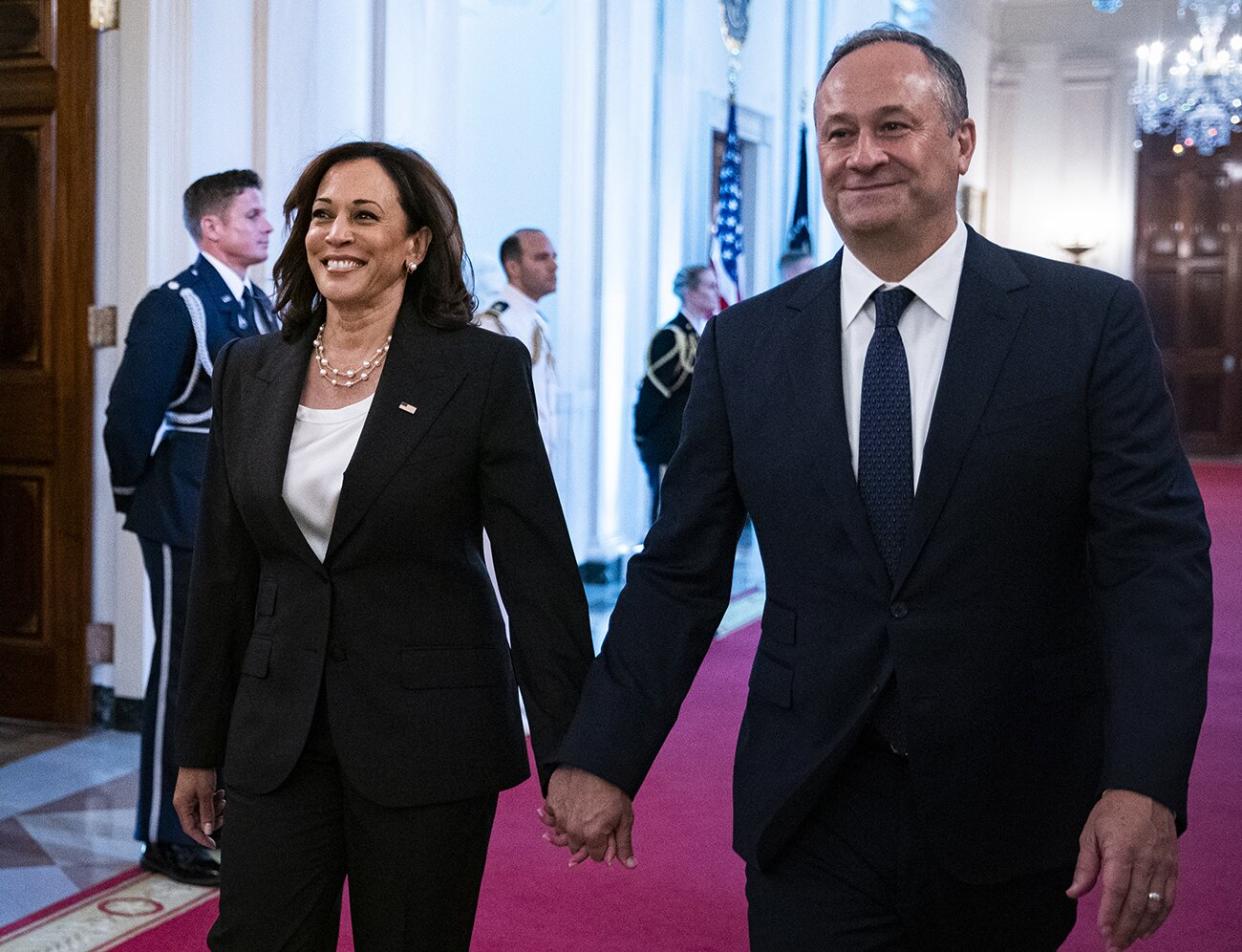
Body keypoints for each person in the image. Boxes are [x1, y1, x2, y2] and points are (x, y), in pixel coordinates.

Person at [542, 25, 1212, 952]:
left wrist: (1144, 779)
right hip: (810, 801)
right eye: (839, 132)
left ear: (961, 144)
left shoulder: (1084, 324)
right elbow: (681, 569)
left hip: (1012, 804)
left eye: (893, 125)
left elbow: (1154, 565)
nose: (862, 156)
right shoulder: (747, 346)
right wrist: (604, 751)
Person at [171, 142, 593, 950]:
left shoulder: (480, 371)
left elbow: (535, 569)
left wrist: (574, 752)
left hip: (427, 735)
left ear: (416, 244)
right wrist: (198, 744)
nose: (337, 233)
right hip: (277, 733)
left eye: (366, 215)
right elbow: (223, 570)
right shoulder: (251, 369)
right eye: (322, 215)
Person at [104, 169, 275, 887]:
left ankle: (218, 814)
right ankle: (165, 833)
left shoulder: (258, 303)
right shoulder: (176, 305)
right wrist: (136, 494)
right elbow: (130, 414)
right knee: (182, 668)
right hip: (181, 505)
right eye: (254, 214)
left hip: (242, 506)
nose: (269, 226)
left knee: (230, 663)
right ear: (212, 228)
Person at [633, 264, 718, 523]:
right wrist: (643, 437)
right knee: (665, 518)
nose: (716, 293)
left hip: (690, 445)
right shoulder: (672, 337)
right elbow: (653, 396)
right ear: (690, 293)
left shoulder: (701, 334)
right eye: (709, 286)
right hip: (667, 445)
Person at [475, 228, 559, 458]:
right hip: (510, 456)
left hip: (538, 455)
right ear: (513, 267)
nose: (553, 266)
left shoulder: (537, 320)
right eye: (541, 258)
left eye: (554, 257)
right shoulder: (495, 324)